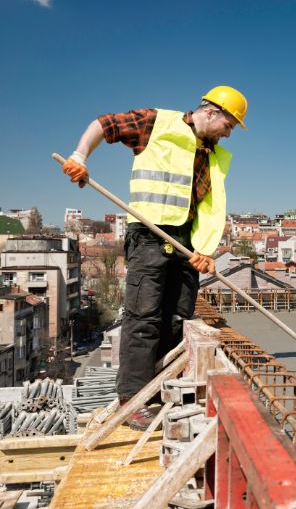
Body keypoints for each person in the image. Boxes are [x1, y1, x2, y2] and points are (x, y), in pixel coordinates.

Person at [62, 86, 247, 430]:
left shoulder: (213, 156)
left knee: (177, 319)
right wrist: (80, 157)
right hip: (149, 235)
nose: (229, 132)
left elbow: (210, 208)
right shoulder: (156, 123)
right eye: (229, 124)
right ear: (210, 112)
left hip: (186, 243)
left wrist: (206, 250)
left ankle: (160, 394)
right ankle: (133, 402)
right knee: (143, 319)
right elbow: (104, 125)